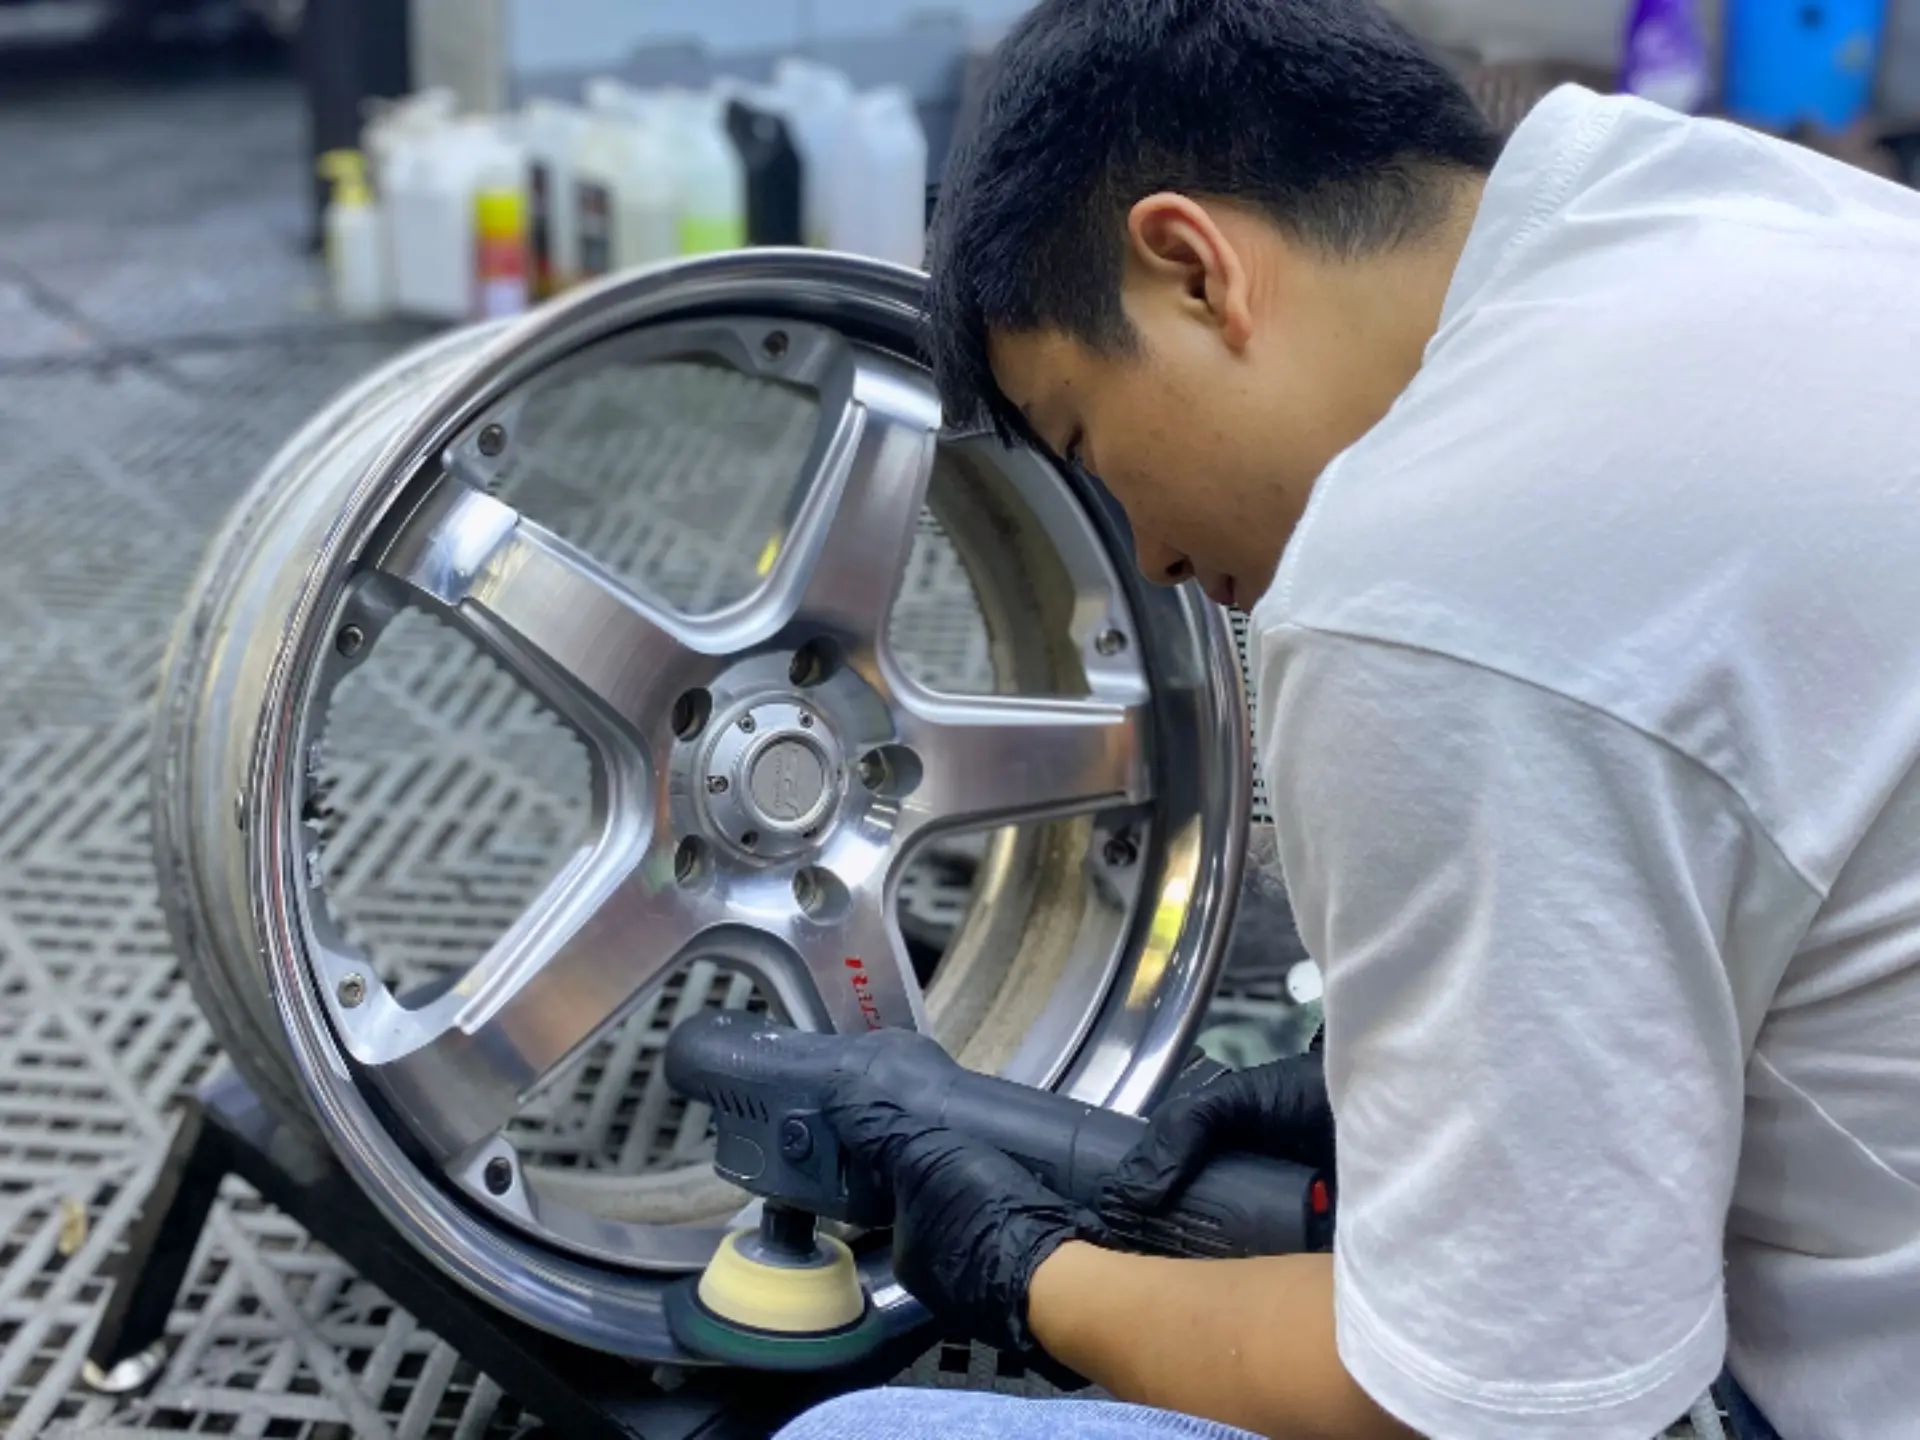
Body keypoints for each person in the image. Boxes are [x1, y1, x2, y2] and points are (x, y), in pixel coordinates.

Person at [778, 1, 1920, 1436]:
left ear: (1192, 268)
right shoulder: (1717, 205)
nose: (1150, 557)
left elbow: (1488, 1409)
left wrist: (1028, 1278)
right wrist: (1369, 1089)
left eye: (1085, 442)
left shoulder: (1425, 587)